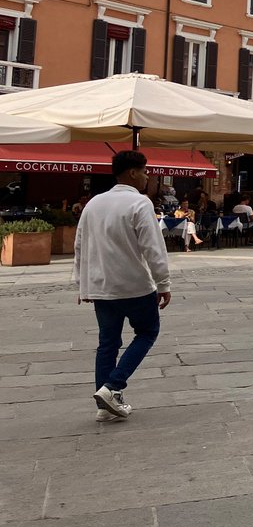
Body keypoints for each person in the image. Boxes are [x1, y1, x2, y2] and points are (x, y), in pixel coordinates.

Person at [73, 150, 171, 422]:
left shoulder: (94, 204)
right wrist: (163, 282)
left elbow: (80, 244)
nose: (147, 175)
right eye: (145, 170)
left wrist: (82, 284)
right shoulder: (140, 204)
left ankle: (105, 405)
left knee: (107, 343)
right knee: (148, 331)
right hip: (135, 285)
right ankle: (112, 386)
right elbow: (154, 248)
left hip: (102, 285)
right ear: (132, 172)